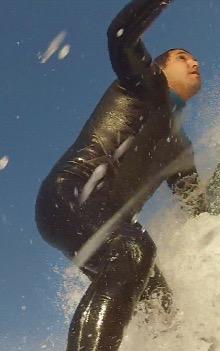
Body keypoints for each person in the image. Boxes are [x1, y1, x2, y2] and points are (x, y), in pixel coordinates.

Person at [35, 0, 206, 350]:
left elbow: (197, 205)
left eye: (194, 58)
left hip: (104, 221)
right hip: (71, 196)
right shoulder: (145, 85)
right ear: (159, 67)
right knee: (132, 251)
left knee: (164, 311)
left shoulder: (180, 148)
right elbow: (120, 35)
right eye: (182, 58)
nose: (194, 62)